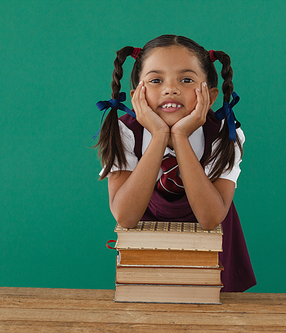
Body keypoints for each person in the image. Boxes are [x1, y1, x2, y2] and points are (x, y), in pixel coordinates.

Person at [95, 35, 256, 292]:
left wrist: (180, 136)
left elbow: (210, 218)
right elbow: (125, 215)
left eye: (187, 80)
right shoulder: (124, 131)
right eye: (156, 80)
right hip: (148, 250)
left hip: (213, 256)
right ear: (137, 95)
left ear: (211, 96)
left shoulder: (225, 134)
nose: (171, 89)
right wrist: (159, 135)